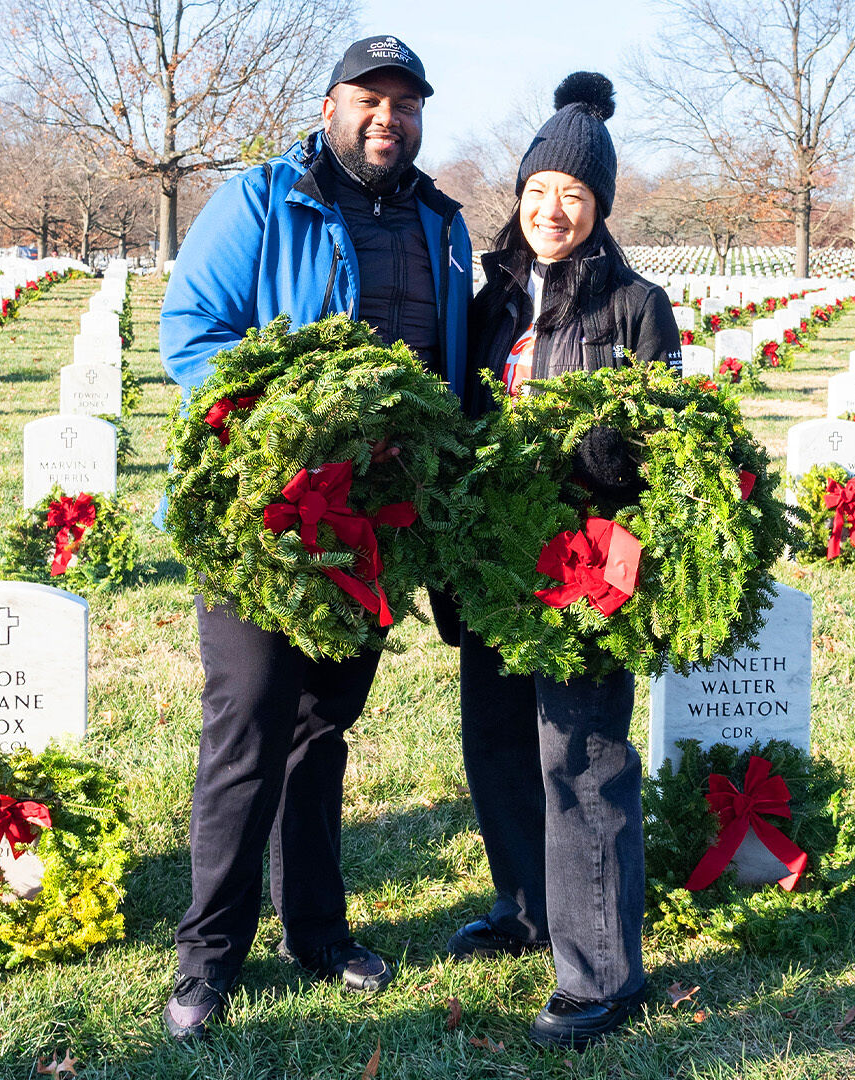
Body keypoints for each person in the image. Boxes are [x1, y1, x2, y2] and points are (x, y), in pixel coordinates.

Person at [157, 35, 473, 1042]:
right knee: (247, 726)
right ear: (331, 105)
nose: (390, 116)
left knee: (323, 726)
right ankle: (209, 957)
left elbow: (453, 370)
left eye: (407, 103)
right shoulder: (261, 200)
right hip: (270, 513)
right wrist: (293, 425)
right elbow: (192, 333)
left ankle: (318, 932)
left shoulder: (439, 221)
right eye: (370, 98)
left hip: (376, 525)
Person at [447, 71, 675, 1051]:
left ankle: (601, 976)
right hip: (496, 558)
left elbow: (660, 447)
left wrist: (582, 455)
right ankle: (529, 911)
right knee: (498, 742)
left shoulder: (635, 305)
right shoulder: (493, 296)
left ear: (600, 208)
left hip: (585, 560)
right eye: (541, 192)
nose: (552, 211)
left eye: (574, 198)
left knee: (581, 758)